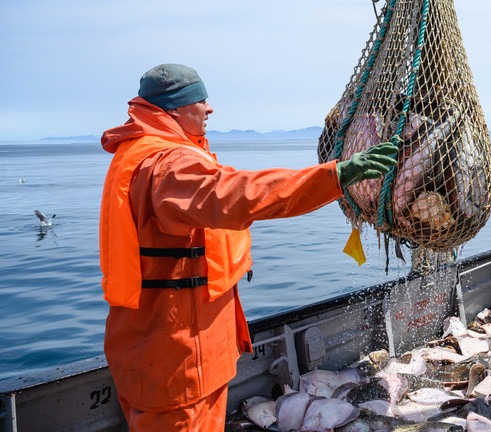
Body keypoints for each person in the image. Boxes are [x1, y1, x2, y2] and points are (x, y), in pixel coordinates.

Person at [99, 63, 398, 431]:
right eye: (201, 101)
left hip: (156, 345)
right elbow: (241, 194)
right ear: (174, 109)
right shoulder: (169, 166)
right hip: (178, 358)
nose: (209, 109)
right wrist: (334, 176)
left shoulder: (141, 153)